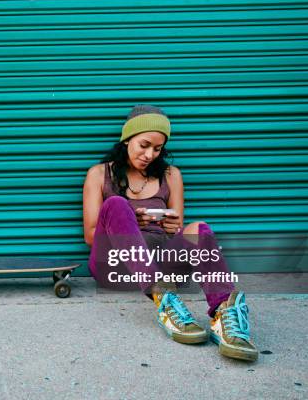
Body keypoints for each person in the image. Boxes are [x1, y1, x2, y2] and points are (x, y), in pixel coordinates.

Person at [82, 104, 259, 361]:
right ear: (127, 138)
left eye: (157, 148)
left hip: (161, 266)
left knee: (199, 229)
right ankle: (166, 304)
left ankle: (225, 314)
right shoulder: (99, 174)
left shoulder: (171, 175)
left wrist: (173, 227)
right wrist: (134, 219)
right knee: (116, 204)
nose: (149, 154)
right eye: (144, 145)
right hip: (113, 266)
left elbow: (178, 229)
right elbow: (90, 235)